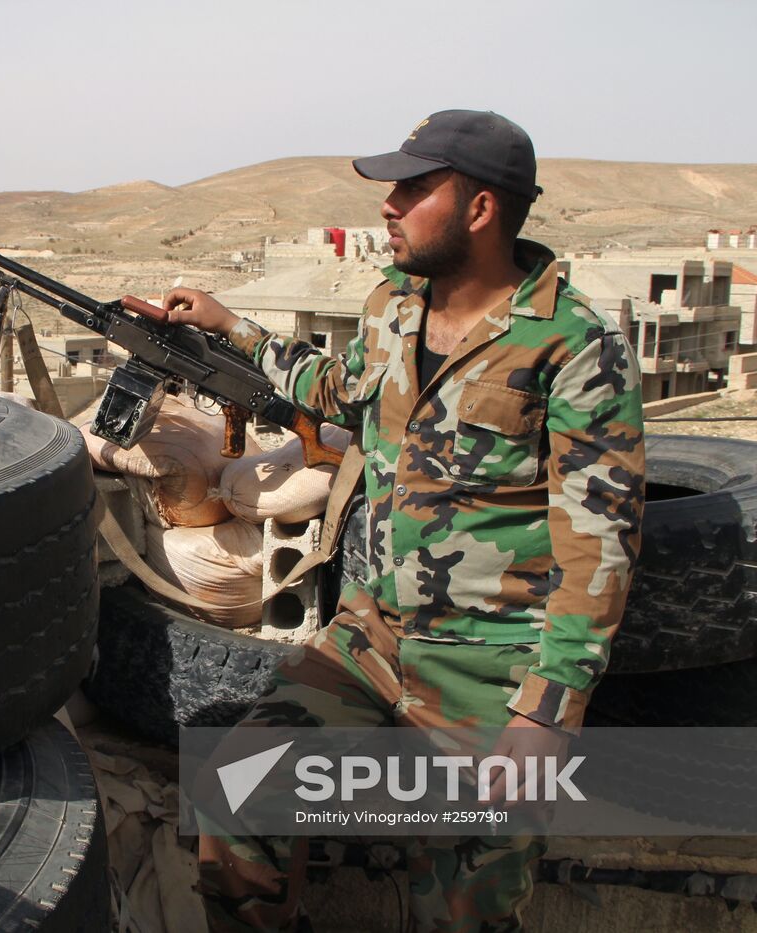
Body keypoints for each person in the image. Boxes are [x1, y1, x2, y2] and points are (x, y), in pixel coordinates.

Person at [163, 110, 646, 932]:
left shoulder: (573, 345)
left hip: (491, 672)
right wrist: (228, 326)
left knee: (460, 911)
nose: (389, 204)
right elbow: (335, 388)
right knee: (230, 796)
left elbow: (600, 543)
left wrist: (546, 711)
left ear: (481, 208)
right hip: (368, 643)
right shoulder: (394, 304)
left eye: (414, 187)